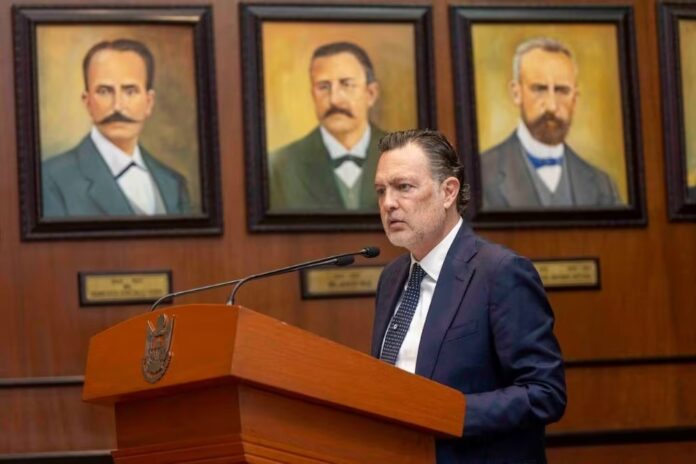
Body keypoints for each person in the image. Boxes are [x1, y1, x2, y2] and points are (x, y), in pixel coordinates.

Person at [372, 129, 566, 463]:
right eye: (381, 190)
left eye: (403, 187)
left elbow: (544, 393)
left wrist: (444, 412)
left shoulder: (500, 272)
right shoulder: (391, 278)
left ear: (448, 192)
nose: (388, 203)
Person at [42, 39, 191, 217]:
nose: (118, 106)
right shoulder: (50, 179)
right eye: (104, 91)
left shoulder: (173, 183)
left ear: (149, 102)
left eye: (130, 91)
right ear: (87, 102)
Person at [480, 37, 621, 210]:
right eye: (539, 89)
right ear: (517, 93)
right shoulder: (480, 175)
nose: (552, 106)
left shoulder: (603, 186)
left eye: (562, 90)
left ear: (575, 98)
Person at [268, 41, 386, 211]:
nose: (334, 100)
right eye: (323, 87)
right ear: (313, 95)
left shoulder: (403, 154)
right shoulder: (279, 167)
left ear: (371, 93)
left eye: (346, 84)